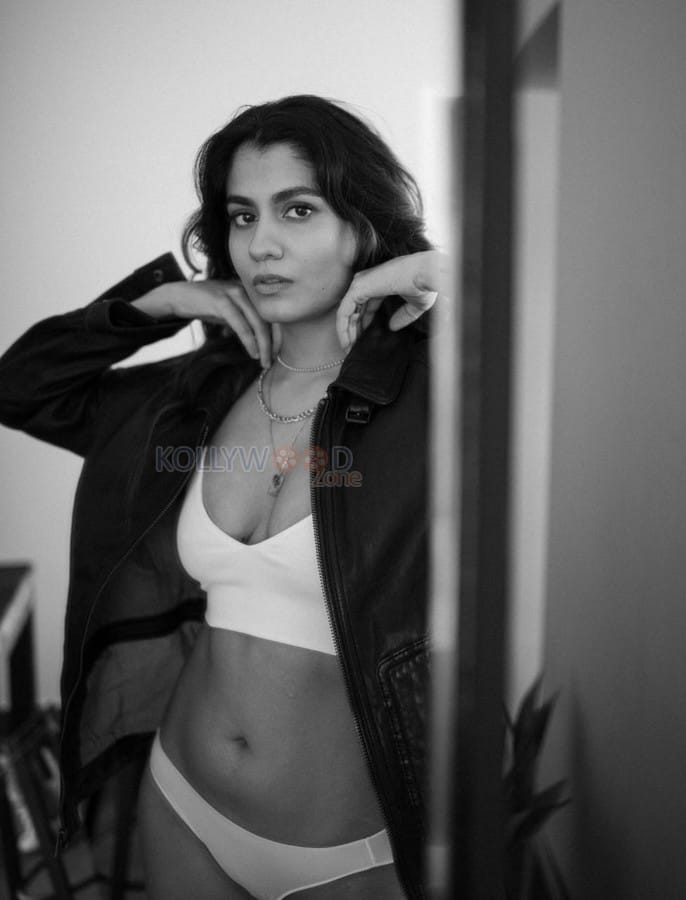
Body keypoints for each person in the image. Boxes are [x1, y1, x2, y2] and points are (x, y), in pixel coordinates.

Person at [0, 95, 446, 900]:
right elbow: (21, 388)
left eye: (298, 210)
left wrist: (432, 272)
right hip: (181, 801)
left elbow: (566, 357)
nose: (261, 243)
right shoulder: (198, 394)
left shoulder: (429, 393)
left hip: (348, 850)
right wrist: (156, 306)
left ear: (363, 227)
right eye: (243, 216)